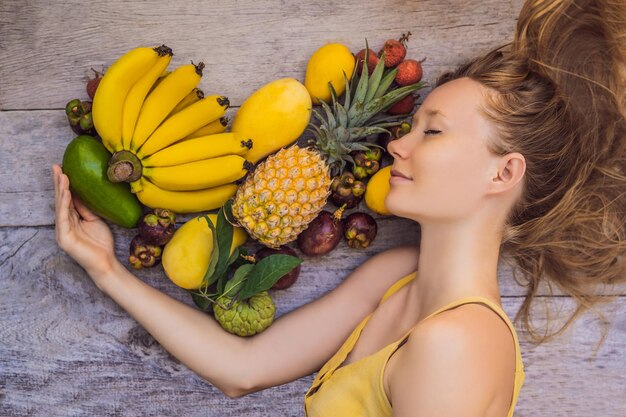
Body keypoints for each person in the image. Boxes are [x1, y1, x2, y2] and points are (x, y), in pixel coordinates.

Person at [53, 0, 625, 415]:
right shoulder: (396, 277)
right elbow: (241, 372)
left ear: (503, 172)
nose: (398, 144)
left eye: (434, 131)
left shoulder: (459, 347)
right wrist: (104, 268)